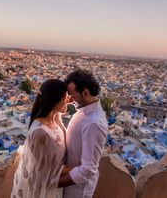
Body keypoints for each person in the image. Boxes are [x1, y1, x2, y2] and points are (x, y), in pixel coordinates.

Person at [11, 79, 71, 198]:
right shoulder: (41, 134)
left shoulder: (54, 119)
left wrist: (67, 100)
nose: (67, 100)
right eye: (65, 98)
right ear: (55, 100)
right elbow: (45, 175)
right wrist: (80, 169)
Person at [59, 70, 108, 198]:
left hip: (78, 190)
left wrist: (54, 183)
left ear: (85, 92)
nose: (71, 100)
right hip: (70, 184)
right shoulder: (84, 111)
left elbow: (88, 169)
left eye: (73, 96)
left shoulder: (94, 123)